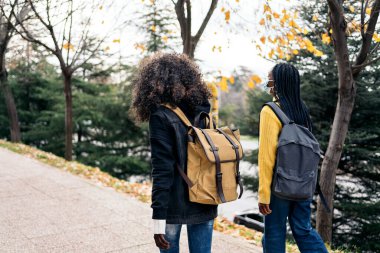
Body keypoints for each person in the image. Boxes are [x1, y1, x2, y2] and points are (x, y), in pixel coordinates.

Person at [131, 52, 217, 253]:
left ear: (154, 83)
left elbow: (162, 170)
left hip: (173, 203)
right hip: (205, 197)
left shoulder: (160, 116)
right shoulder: (203, 109)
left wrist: (158, 219)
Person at [258, 63, 328, 253]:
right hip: (303, 184)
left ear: (278, 83)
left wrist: (264, 194)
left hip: (278, 186)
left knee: (273, 232)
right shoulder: (301, 109)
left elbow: (266, 157)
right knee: (303, 230)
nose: (268, 84)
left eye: (269, 79)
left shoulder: (270, 111)